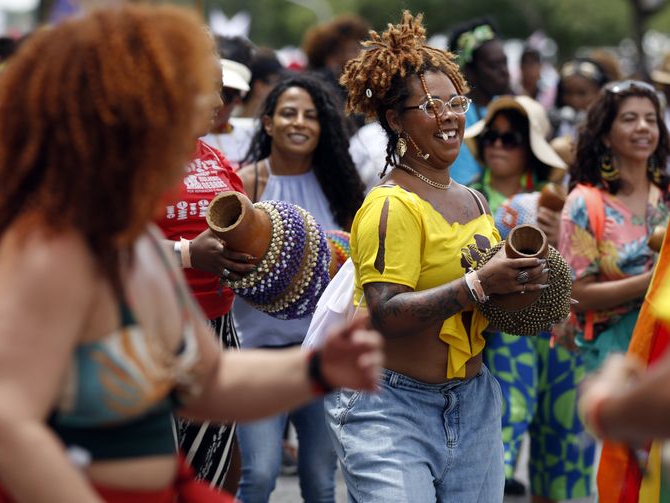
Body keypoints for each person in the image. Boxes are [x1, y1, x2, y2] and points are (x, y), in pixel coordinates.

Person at [0, 6, 383, 501]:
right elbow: (3, 426)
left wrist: (318, 368)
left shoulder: (136, 251)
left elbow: (208, 379)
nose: (215, 110)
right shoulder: (46, 249)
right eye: (195, 94)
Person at [326, 11, 548, 502]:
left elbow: (489, 304)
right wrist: (481, 284)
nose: (449, 116)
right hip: (390, 408)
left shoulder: (473, 201)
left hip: (475, 403)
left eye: (456, 102)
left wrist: (529, 284)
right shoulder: (390, 205)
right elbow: (384, 313)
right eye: (430, 106)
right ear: (394, 119)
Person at [233, 72, 365, 502]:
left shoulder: (341, 189)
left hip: (320, 354)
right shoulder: (246, 183)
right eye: (288, 113)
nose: (299, 123)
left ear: (323, 126)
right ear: (268, 122)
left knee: (320, 481)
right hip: (255, 356)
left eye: (311, 115)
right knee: (259, 473)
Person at [466, 95, 595, 501]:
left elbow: (590, 265)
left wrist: (564, 237)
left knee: (566, 443)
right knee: (502, 436)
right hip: (502, 336)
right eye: (492, 136)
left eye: (511, 138)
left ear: (531, 148)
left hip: (561, 333)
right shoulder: (465, 197)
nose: (498, 145)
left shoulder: (563, 201)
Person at [155, 56, 254, 493]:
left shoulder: (215, 157)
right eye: (206, 87)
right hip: (151, 334)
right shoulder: (129, 162)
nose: (218, 101)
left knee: (209, 473)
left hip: (216, 330)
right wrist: (187, 254)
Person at [559, 80, 670, 374]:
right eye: (630, 119)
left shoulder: (667, 196)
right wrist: (653, 281)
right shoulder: (585, 203)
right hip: (614, 360)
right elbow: (577, 294)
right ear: (606, 135)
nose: (644, 127)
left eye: (651, 119)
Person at [447, 17, 512, 185]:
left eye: (504, 63)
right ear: (470, 70)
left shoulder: (506, 106)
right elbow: (463, 183)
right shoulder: (457, 115)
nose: (504, 72)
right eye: (493, 66)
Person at [201, 35, 255, 167]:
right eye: (205, 90)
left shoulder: (253, 137)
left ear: (239, 98)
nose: (218, 103)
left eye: (225, 94)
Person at [549, 57, 610, 141]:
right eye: (567, 92)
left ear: (600, 93)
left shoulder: (610, 129)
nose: (574, 100)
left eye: (582, 93)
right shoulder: (552, 126)